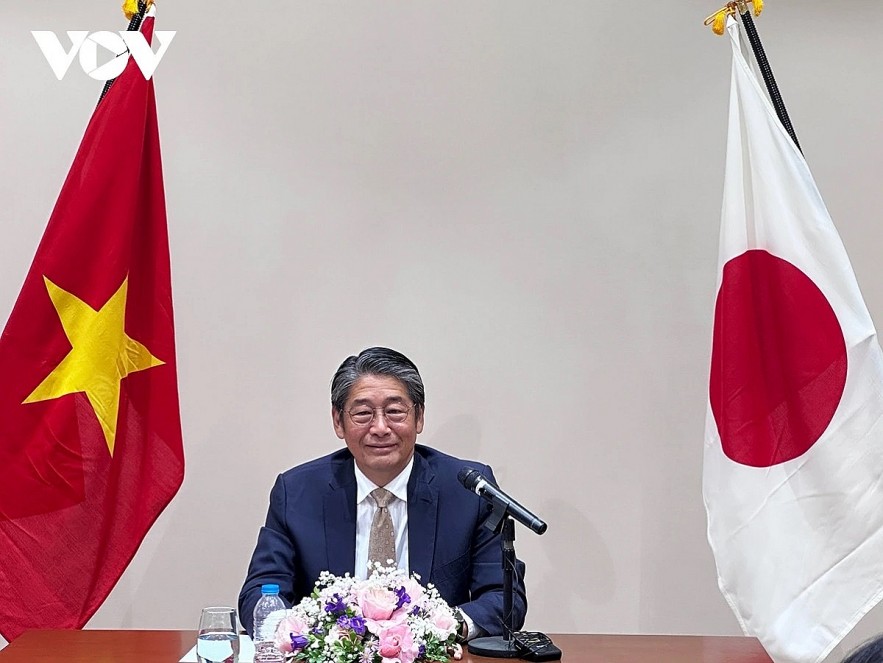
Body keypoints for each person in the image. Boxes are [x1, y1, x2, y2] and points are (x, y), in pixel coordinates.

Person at [238, 346, 528, 640]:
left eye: (394, 411)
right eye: (363, 413)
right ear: (338, 421)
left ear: (419, 418)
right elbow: (261, 592)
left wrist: (441, 629)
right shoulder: (297, 492)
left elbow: (504, 598)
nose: (379, 427)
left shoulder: (466, 491)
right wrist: (302, 634)